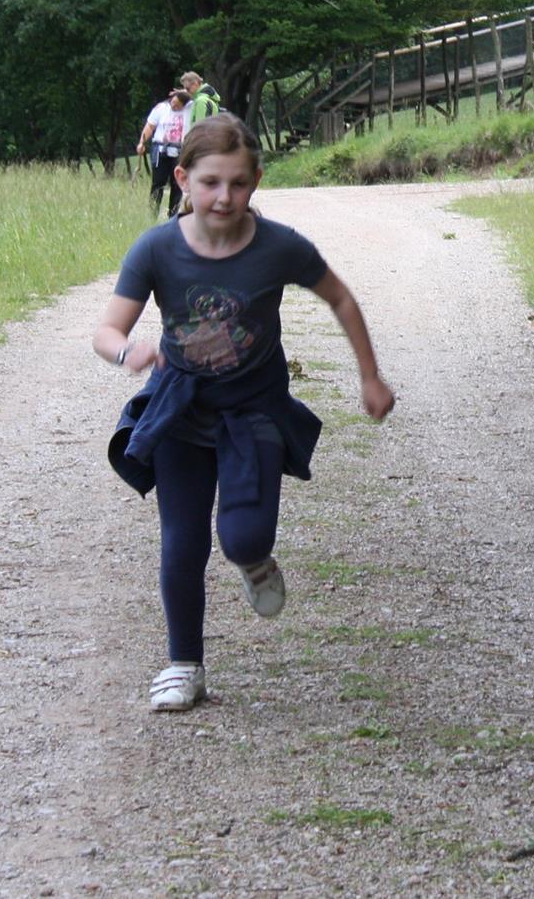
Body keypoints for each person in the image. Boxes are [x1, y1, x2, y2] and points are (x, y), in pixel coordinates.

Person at [93, 114, 396, 713]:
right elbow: (107, 330)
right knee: (182, 542)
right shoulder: (156, 249)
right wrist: (129, 351)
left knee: (243, 537)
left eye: (237, 183)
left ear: (256, 180)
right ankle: (184, 665)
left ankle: (254, 560)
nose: (223, 197)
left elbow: (340, 298)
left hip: (254, 410)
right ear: (183, 179)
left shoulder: (279, 247)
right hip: (180, 410)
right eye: (210, 182)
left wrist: (369, 376)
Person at [136, 89, 188, 219]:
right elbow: (150, 126)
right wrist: (142, 143)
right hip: (160, 150)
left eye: (178, 105)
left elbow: (201, 92)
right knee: (157, 184)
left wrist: (186, 91)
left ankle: (173, 217)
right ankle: (152, 214)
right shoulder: (161, 108)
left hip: (179, 151)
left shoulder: (190, 108)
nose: (174, 106)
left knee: (177, 185)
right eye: (173, 102)